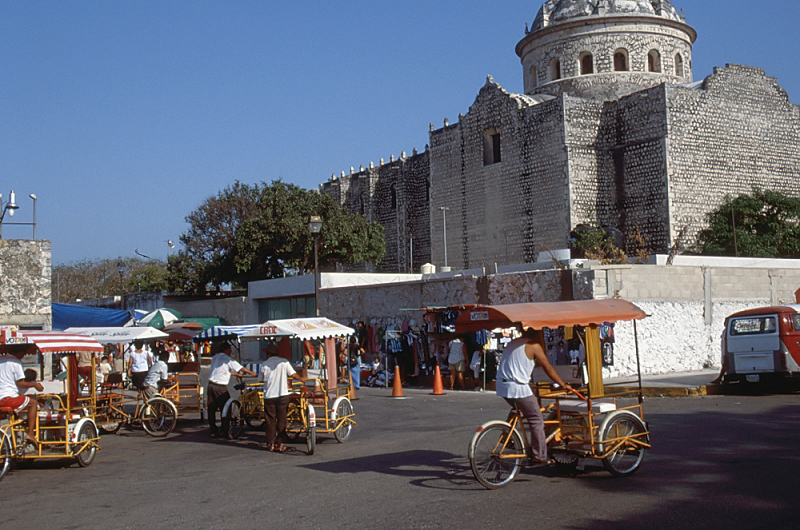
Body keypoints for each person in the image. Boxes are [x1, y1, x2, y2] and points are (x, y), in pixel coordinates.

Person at [495, 327, 578, 465]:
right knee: (536, 418)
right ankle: (539, 455)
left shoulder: (513, 343)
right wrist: (563, 384)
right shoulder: (534, 346)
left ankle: (506, 436)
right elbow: (548, 368)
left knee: (518, 408)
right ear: (538, 333)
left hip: (502, 385)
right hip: (517, 387)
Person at [259, 342, 308, 452]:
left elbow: (260, 379)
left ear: (268, 354)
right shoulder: (284, 362)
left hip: (269, 396)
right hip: (282, 395)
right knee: (282, 420)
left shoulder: (264, 364)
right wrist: (302, 379)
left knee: (270, 421)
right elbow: (293, 375)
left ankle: (271, 444)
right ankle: (279, 444)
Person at [206, 342, 255, 438]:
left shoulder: (215, 357)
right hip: (220, 387)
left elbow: (222, 371)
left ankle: (213, 430)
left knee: (211, 409)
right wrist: (253, 374)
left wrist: (236, 374)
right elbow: (241, 368)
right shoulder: (228, 360)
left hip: (211, 385)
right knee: (226, 408)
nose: (231, 351)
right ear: (225, 350)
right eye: (229, 349)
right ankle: (225, 431)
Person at [0, 351, 44, 448]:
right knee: (33, 403)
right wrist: (35, 385)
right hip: (9, 397)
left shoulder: (1, 360)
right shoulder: (16, 362)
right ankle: (31, 433)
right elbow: (20, 383)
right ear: (20, 351)